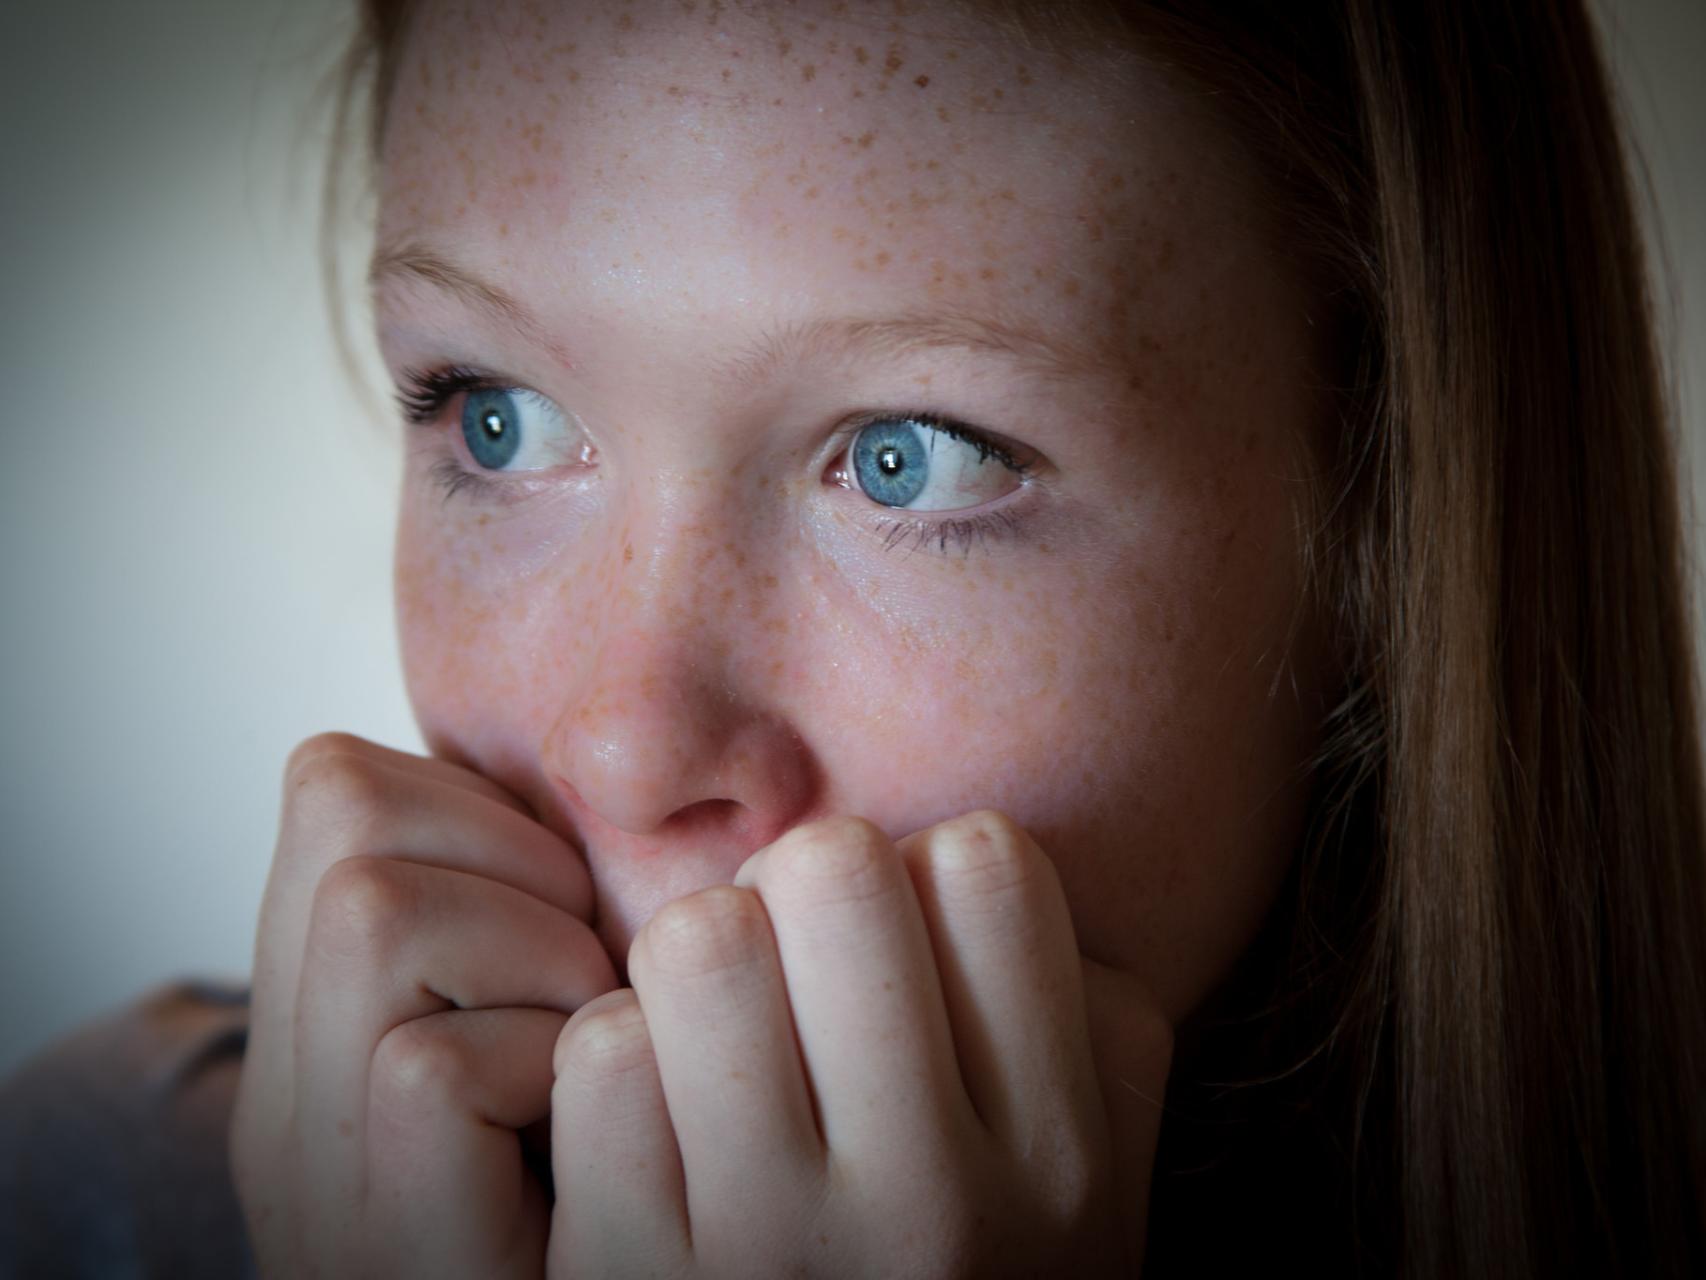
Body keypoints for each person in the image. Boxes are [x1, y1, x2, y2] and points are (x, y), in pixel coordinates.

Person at [3, 0, 1703, 1275]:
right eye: (498, 417)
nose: (622, 746)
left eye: (913, 459)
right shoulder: (82, 1201)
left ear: (1384, 538)